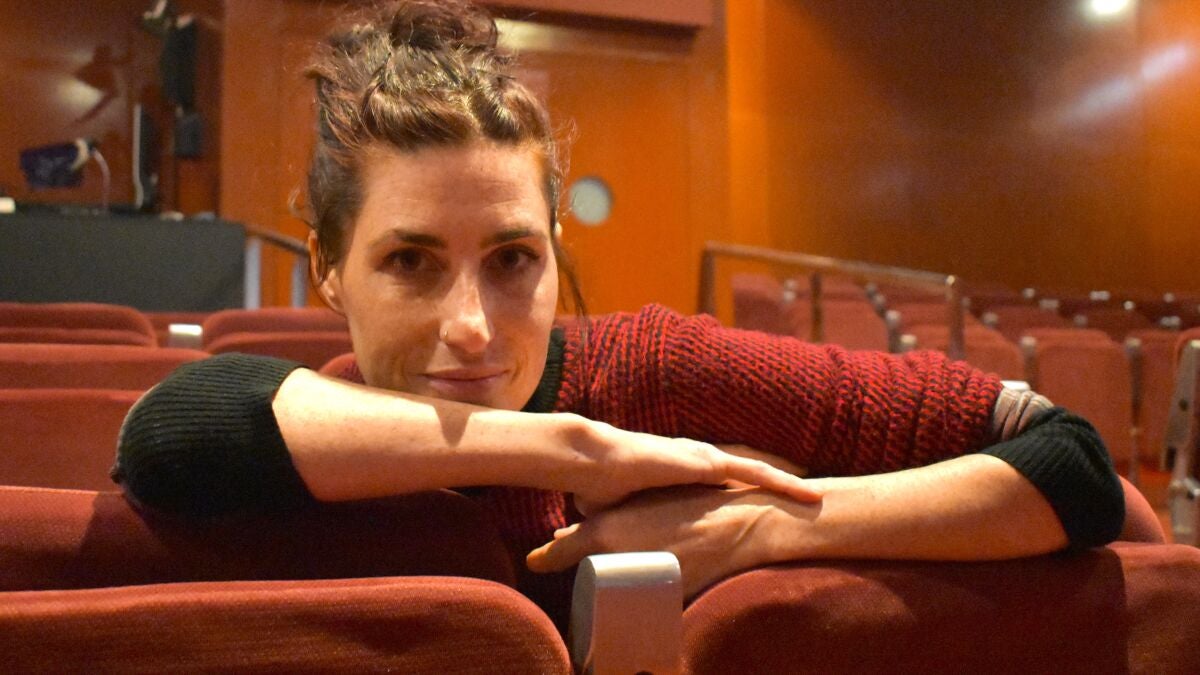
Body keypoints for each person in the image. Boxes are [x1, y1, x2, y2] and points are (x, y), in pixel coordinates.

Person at [112, 0, 1122, 627]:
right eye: (410, 263)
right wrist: (567, 450)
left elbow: (1070, 462)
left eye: (512, 259)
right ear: (329, 269)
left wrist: (766, 527)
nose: (472, 325)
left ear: (555, 251)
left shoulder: (657, 373)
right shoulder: (318, 432)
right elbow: (167, 434)